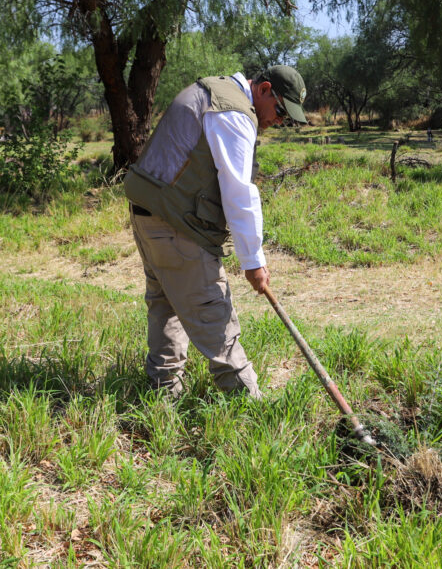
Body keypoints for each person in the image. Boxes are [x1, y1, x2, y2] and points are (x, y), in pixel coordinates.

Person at [123, 65, 308, 399]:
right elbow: (239, 193)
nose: (280, 121)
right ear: (264, 89)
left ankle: (162, 394)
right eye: (281, 111)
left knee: (166, 305)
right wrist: (253, 261)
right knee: (214, 316)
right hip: (177, 225)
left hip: (148, 213)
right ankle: (250, 407)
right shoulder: (233, 113)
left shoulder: (212, 91)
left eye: (287, 119)